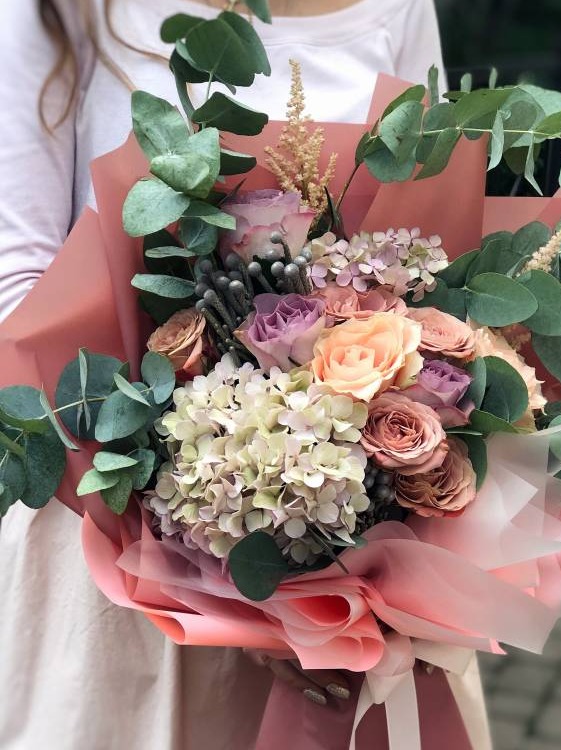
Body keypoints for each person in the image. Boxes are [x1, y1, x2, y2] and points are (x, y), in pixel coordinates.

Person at [0, 1, 489, 747]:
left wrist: (337, 575)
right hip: (117, 525)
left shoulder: (399, 7)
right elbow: (17, 289)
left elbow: (437, 252)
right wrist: (230, 559)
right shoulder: (58, 11)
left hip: (361, 554)